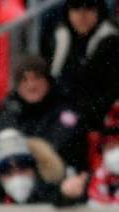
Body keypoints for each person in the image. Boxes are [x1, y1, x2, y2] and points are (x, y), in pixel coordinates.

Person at [0, 56, 89, 174]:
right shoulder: (11, 113)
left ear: (48, 80)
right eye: (24, 80)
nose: (31, 85)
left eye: (37, 78)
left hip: (61, 180)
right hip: (17, 179)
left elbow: (58, 148)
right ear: (17, 86)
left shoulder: (66, 111)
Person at [45, 0, 119, 130]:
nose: (82, 15)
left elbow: (107, 95)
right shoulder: (57, 37)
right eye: (75, 8)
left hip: (94, 123)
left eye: (89, 8)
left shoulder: (112, 43)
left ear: (99, 11)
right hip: (57, 116)